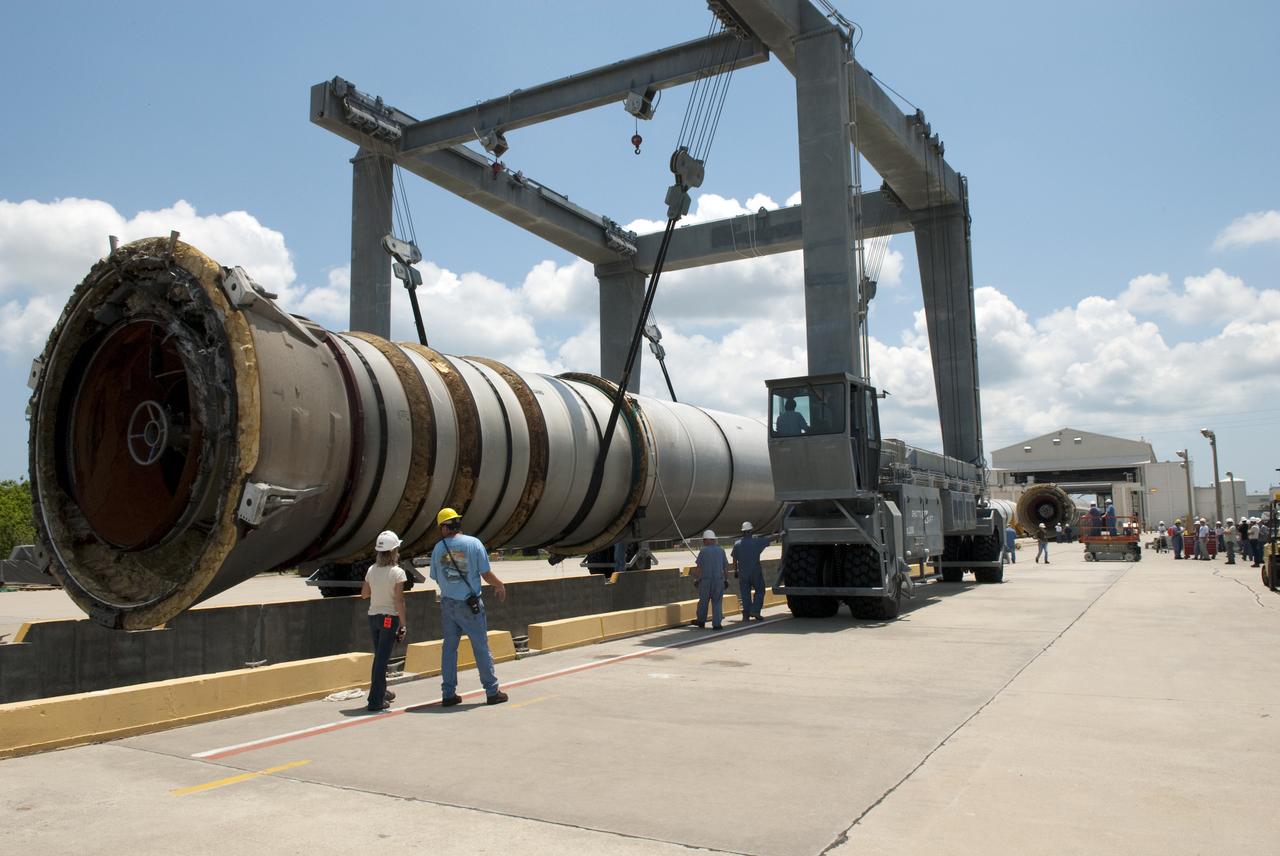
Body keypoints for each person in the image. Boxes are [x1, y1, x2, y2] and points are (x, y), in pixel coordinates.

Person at [429, 507, 508, 706]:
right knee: (481, 647)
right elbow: (486, 574)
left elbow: (437, 577)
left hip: (448, 605)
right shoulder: (474, 544)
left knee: (449, 649)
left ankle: (448, 694)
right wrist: (499, 585)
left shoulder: (438, 549)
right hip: (469, 604)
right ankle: (492, 692)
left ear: (445, 527)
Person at [361, 530, 407, 712]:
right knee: (382, 659)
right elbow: (399, 600)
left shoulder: (371, 570)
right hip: (389, 618)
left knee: (380, 656)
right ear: (394, 551)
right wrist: (403, 623)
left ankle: (382, 690)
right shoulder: (398, 572)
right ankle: (375, 700)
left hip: (373, 617)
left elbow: (364, 594)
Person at [731, 522, 771, 622]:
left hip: (742, 573)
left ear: (742, 532)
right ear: (751, 531)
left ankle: (746, 615)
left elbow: (734, 559)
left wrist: (735, 571)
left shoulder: (737, 544)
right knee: (760, 590)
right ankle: (755, 610)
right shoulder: (757, 542)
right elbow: (769, 539)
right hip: (755, 572)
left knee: (745, 594)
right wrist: (780, 534)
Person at [694, 530, 729, 629]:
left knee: (703, 602)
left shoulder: (703, 551)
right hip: (718, 581)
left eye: (704, 540)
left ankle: (701, 621)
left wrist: (696, 579)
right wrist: (726, 579)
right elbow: (725, 567)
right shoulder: (721, 551)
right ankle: (717, 624)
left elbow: (699, 568)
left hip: (705, 582)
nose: (703, 542)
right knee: (717, 602)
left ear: (707, 540)